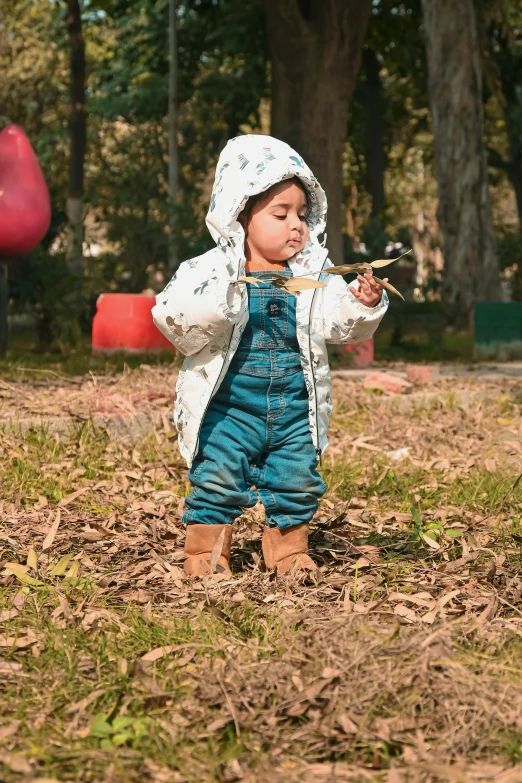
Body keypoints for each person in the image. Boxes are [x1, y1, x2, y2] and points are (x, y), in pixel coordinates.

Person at [152, 134, 388, 578]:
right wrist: (224, 298)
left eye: (301, 214)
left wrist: (362, 303)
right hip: (228, 408)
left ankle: (289, 551)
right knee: (217, 475)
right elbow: (173, 318)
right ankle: (206, 551)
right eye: (280, 214)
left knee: (297, 478)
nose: (295, 224)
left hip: (293, 408)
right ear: (240, 216)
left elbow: (338, 324)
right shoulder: (209, 271)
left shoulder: (314, 273)